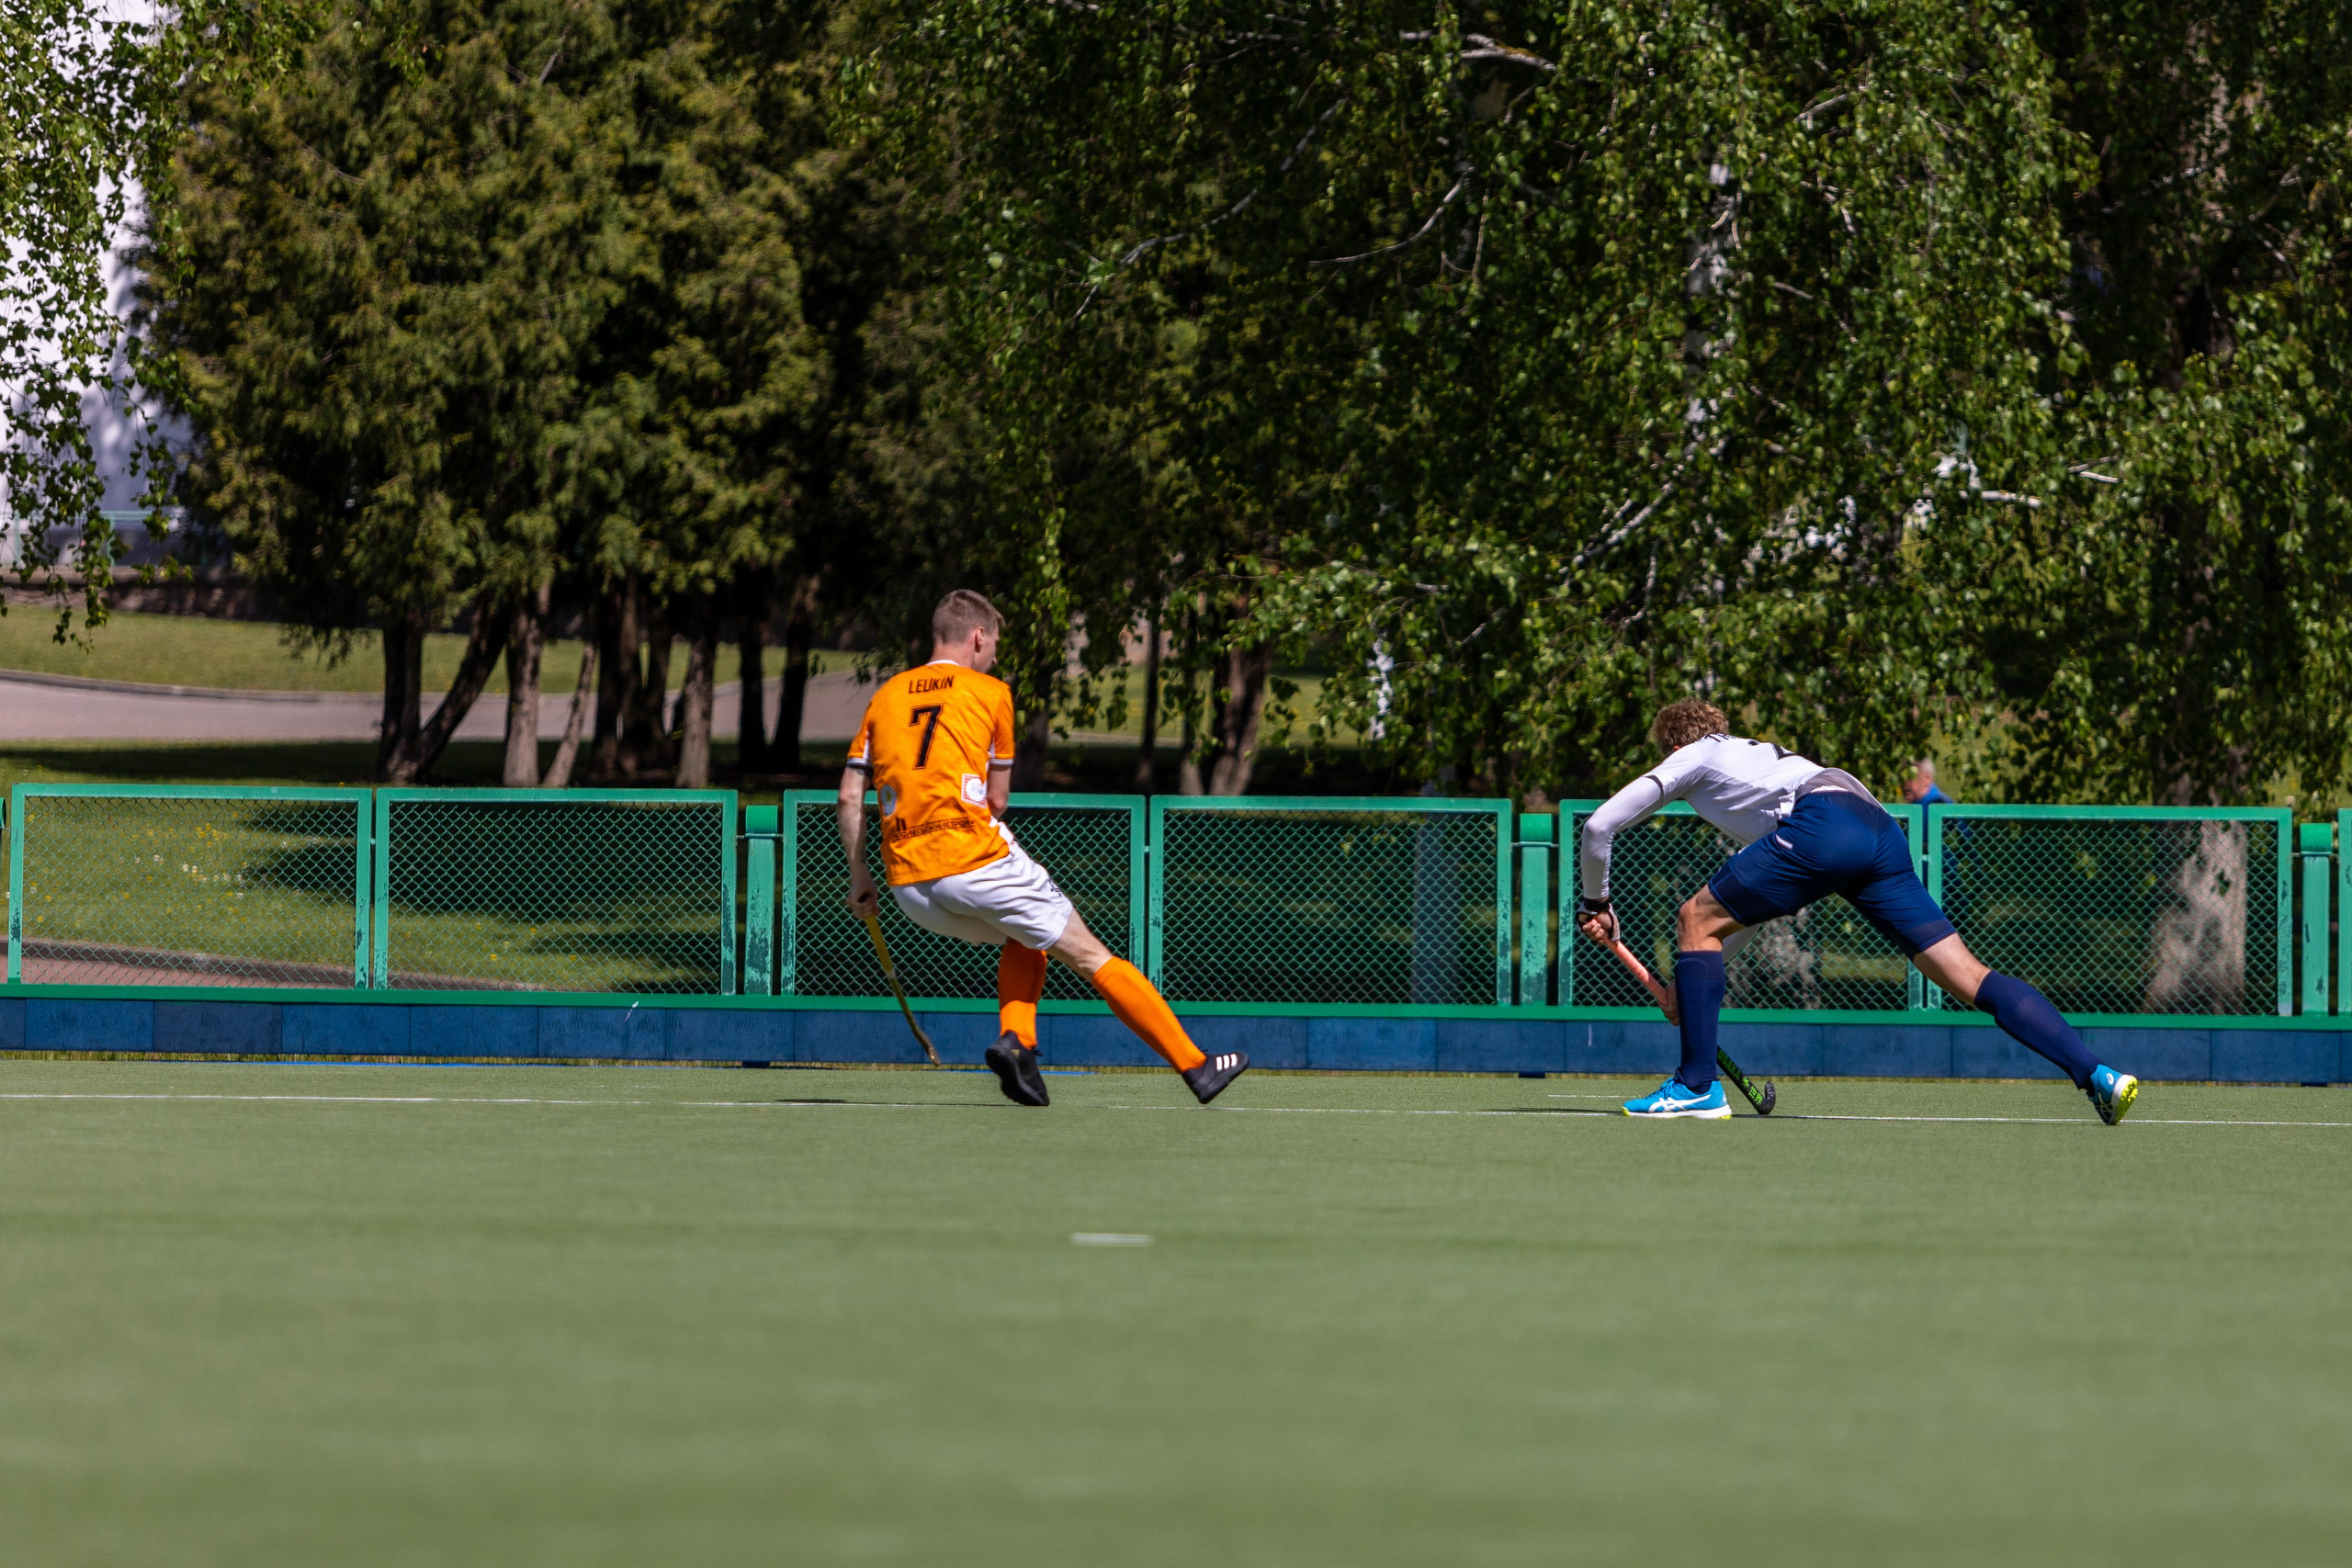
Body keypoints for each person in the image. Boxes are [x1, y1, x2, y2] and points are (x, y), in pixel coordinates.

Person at [1575, 698, 2138, 1123]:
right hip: (1872, 825)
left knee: (1692, 916)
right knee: (1969, 976)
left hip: (1823, 823)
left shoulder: (1694, 757)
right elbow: (1731, 921)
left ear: (1674, 747)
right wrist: (1691, 984)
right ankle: (2097, 1074)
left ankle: (1696, 1084)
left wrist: (1595, 902)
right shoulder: (1753, 764)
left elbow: (1600, 826)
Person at [839, 590, 1247, 1109]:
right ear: (977, 637)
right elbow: (998, 799)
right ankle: (1197, 1065)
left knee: (1026, 939)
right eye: (995, 645)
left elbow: (850, 795)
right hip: (974, 860)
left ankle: (1020, 1045)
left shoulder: (887, 696)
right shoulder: (990, 693)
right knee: (1091, 956)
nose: (994, 656)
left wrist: (859, 875)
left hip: (910, 888)